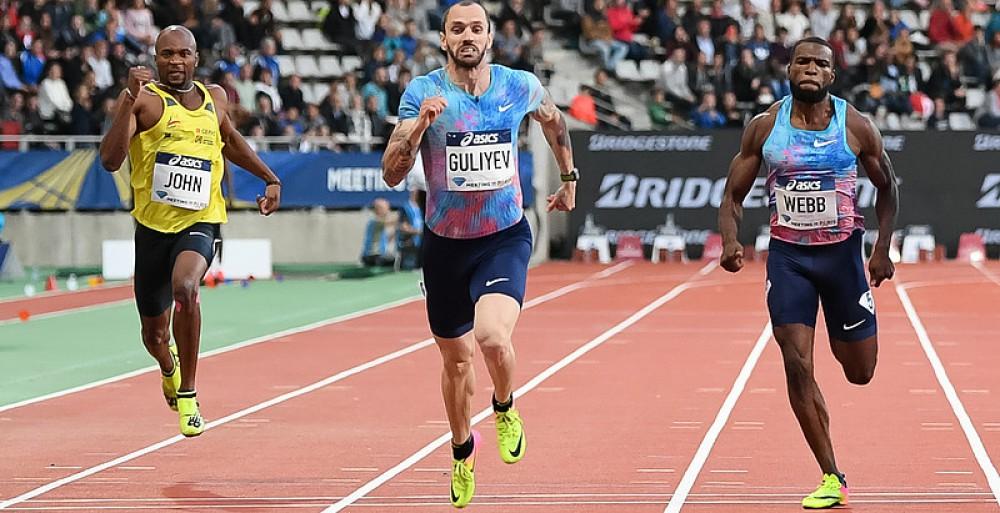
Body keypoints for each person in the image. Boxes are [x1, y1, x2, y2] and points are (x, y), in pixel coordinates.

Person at [380, 0, 577, 507]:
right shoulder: (423, 93)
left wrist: (569, 175)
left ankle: (505, 405)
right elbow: (392, 171)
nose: (467, 36)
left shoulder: (519, 86)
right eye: (457, 29)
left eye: (476, 28)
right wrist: (421, 126)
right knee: (457, 361)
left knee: (491, 337)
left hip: (503, 236)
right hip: (445, 246)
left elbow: (554, 122)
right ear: (443, 40)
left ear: (490, 37)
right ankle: (462, 450)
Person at [718, 36, 898, 509]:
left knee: (860, 372)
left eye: (821, 63)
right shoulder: (764, 128)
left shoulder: (855, 126)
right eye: (803, 62)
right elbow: (732, 194)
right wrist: (731, 240)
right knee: (796, 362)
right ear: (790, 69)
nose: (811, 69)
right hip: (789, 258)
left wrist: (881, 248)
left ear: (832, 74)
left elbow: (888, 186)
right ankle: (831, 474)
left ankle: (850, 347)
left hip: (842, 259)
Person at [99, 26, 281, 438]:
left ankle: (188, 392)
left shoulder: (215, 98)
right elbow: (111, 160)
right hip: (151, 229)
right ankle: (168, 366)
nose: (175, 62)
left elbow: (230, 140)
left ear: (196, 58)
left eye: (183, 54)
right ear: (156, 57)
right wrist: (127, 99)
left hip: (200, 220)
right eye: (166, 55)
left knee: (186, 287)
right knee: (154, 335)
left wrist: (270, 179)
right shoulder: (143, 99)